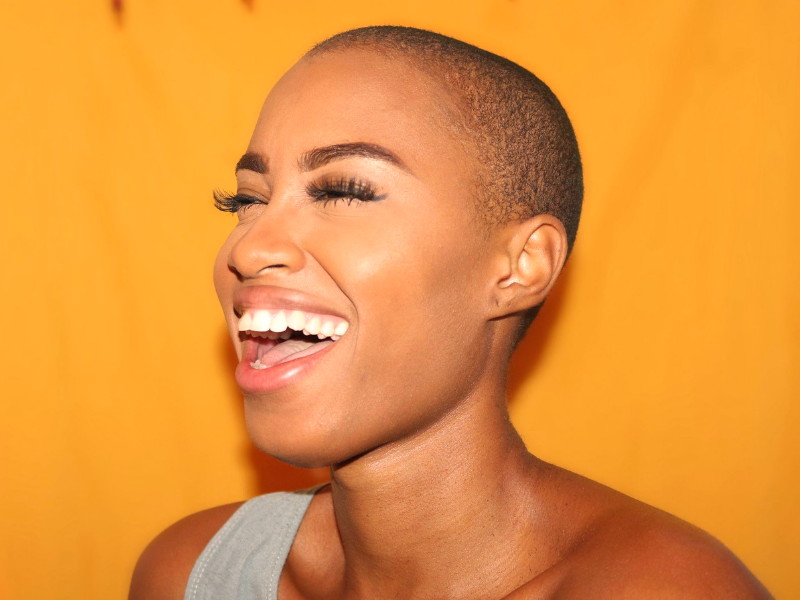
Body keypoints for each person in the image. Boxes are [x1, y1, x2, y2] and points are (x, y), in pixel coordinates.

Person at [129, 26, 772, 600]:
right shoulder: (191, 574)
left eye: (344, 191)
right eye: (245, 201)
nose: (250, 245)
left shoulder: (665, 589)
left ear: (520, 267)